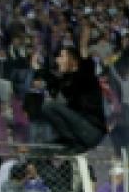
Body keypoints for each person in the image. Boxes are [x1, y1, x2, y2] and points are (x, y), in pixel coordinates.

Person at [30, 23, 107, 154]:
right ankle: (71, 147)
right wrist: (38, 69)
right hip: (79, 132)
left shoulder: (85, 75)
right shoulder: (66, 81)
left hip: (91, 130)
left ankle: (72, 142)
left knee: (48, 106)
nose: (58, 60)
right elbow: (53, 81)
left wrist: (84, 39)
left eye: (61, 56)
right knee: (41, 150)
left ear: (73, 60)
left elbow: (84, 56)